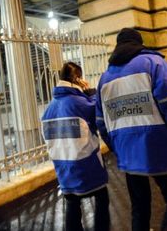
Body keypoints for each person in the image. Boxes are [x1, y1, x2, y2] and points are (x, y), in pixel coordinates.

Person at [95, 28, 167, 231]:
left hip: (127, 153)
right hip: (159, 147)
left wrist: (118, 147)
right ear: (138, 45)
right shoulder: (153, 64)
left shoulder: (104, 79)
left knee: (139, 207)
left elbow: (101, 121)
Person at [41, 62, 110, 231]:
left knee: (72, 203)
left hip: (63, 170)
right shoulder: (80, 103)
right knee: (102, 197)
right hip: (87, 166)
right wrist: (91, 93)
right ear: (77, 78)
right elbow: (99, 114)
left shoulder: (48, 109)